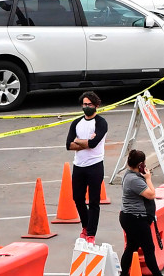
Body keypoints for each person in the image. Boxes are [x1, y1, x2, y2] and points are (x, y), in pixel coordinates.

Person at [67, 91, 107, 244]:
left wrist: (79, 142)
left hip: (95, 165)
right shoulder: (76, 123)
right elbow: (68, 145)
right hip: (79, 166)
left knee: (94, 201)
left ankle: (91, 233)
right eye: (84, 104)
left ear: (96, 105)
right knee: (77, 198)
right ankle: (85, 225)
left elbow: (93, 144)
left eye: (89, 104)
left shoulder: (101, 122)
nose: (86, 107)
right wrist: (84, 142)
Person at [119, 150, 163, 276]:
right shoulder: (133, 179)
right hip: (135, 219)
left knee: (132, 246)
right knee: (149, 249)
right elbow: (151, 194)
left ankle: (124, 274)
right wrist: (148, 178)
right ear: (140, 165)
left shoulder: (130, 175)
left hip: (130, 218)